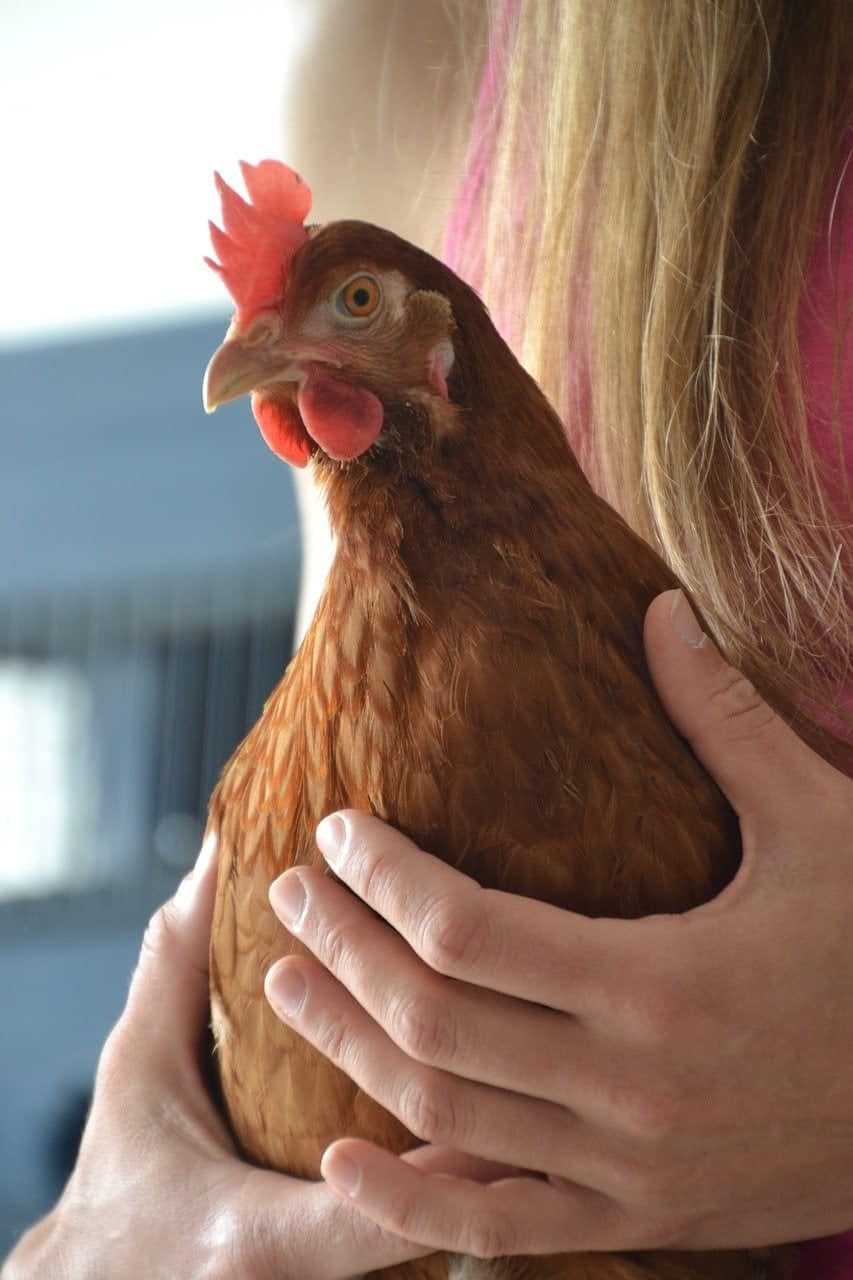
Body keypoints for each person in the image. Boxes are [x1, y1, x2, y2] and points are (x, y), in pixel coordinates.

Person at [4, 1, 851, 1276]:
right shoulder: (393, 55)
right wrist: (96, 1240)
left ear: (447, 349)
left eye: (353, 301)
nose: (264, 351)